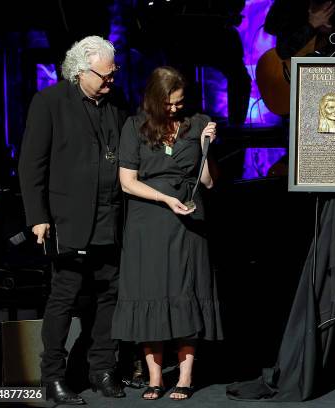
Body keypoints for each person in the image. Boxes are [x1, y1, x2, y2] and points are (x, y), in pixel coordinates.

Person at [18, 35, 129, 404]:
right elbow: (32, 164)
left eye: (113, 74)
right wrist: (38, 217)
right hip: (68, 220)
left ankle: (101, 369)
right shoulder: (49, 102)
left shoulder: (115, 105)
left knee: (108, 295)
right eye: (104, 75)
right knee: (64, 297)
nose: (110, 81)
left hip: (110, 217)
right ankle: (52, 376)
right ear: (80, 71)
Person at [111, 66, 223, 401]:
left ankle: (186, 376)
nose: (175, 108)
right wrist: (164, 197)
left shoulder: (197, 123)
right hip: (148, 223)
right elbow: (127, 182)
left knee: (185, 293)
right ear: (154, 99)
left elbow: (209, 182)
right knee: (150, 294)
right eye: (169, 103)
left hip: (188, 221)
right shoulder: (134, 127)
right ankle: (155, 377)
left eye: (179, 102)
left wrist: (207, 148)